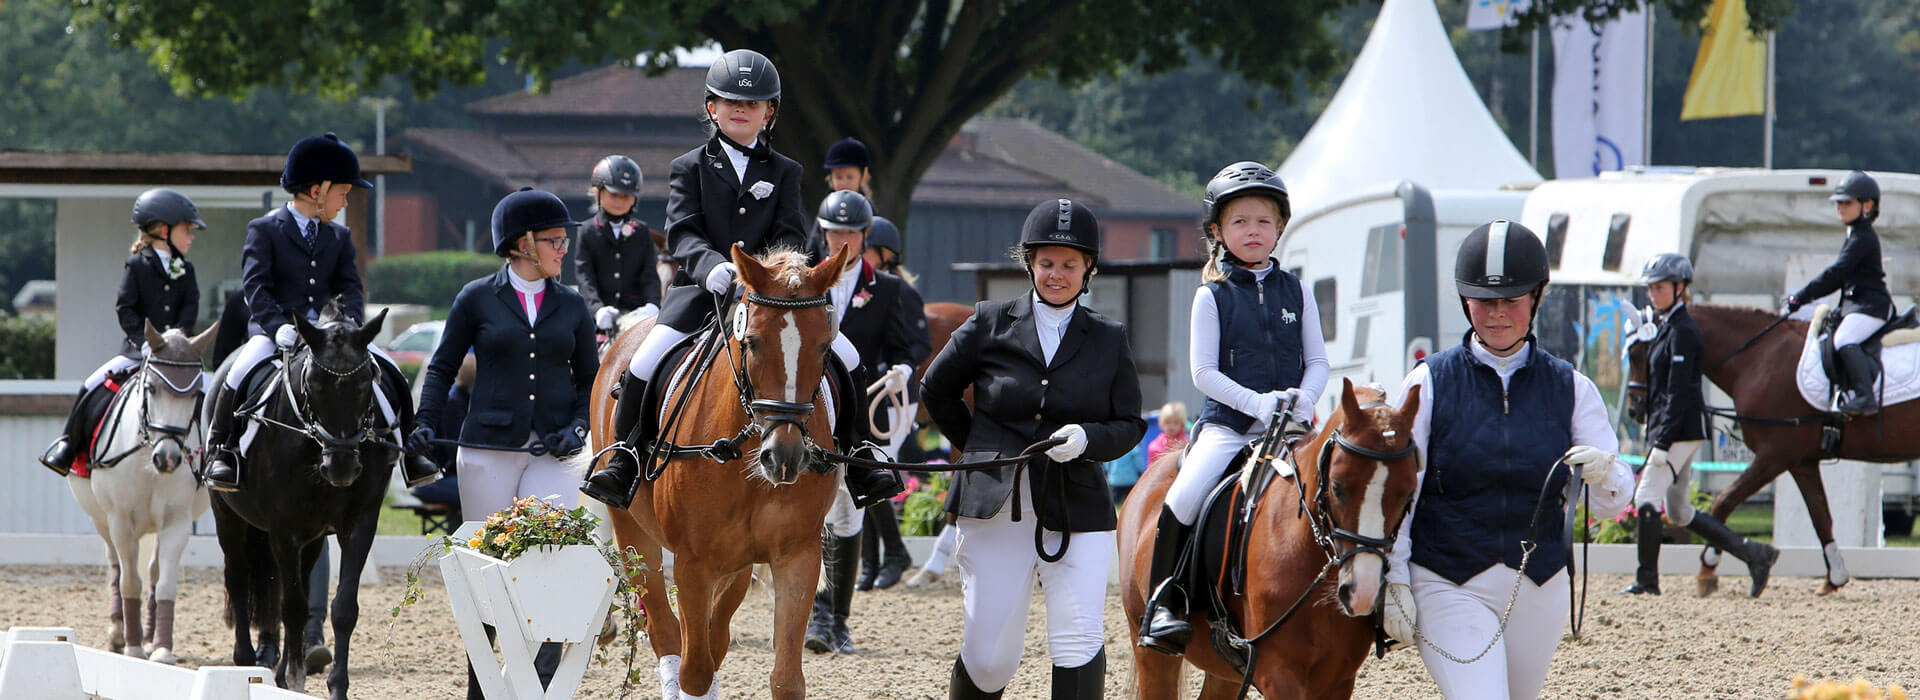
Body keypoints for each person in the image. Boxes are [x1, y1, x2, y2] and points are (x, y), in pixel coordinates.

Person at [582, 49, 899, 511]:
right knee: (643, 362)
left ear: (768, 113)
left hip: (770, 294)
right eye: (730, 102)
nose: (740, 110)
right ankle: (624, 457)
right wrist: (711, 265)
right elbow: (682, 228)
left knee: (846, 358)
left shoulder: (786, 171)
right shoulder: (688, 166)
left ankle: (862, 457)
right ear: (712, 108)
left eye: (751, 104)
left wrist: (765, 272)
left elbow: (792, 233)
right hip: (699, 290)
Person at [1376, 220, 1635, 700]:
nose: (1496, 314)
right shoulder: (1427, 382)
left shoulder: (1572, 388)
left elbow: (1607, 505)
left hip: (1539, 584)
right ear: (1464, 301)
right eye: (1483, 301)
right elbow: (1400, 491)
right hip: (1446, 578)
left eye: (1511, 301)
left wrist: (1605, 472)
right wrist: (1395, 577)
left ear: (1535, 298)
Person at [922, 198, 1146, 699]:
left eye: (1069, 264)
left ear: (1088, 268)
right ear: (1030, 264)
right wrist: (981, 453)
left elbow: (1130, 423)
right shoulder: (988, 322)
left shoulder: (1109, 338)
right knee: (988, 656)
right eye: (1046, 263)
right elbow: (935, 390)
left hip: (1076, 506)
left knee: (1078, 639)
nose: (1056, 274)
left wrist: (1089, 439)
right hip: (995, 509)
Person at [408, 187, 597, 697]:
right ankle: (481, 682)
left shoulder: (573, 305)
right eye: (555, 241)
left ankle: (534, 682)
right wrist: (425, 423)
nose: (564, 249)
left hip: (554, 456)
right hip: (487, 451)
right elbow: (443, 366)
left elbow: (590, 381)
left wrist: (578, 428)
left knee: (552, 557)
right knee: (484, 568)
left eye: (564, 241)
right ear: (522, 245)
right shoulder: (476, 298)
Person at [1137, 161, 1329, 655]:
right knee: (1183, 496)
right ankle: (1166, 602)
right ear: (1218, 231)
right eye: (1240, 221)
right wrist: (1258, 404)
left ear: (1280, 227)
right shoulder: (1212, 295)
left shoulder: (1298, 291)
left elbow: (1318, 361)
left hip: (1290, 427)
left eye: (1263, 221)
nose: (1253, 231)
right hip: (1230, 427)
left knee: (1340, 489)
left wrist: (1303, 401)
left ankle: (1354, 600)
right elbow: (1204, 374)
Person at [201, 132, 439, 492]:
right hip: (277, 333)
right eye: (342, 193)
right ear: (317, 190)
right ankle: (222, 451)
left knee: (388, 369)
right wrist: (277, 326)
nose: (345, 201)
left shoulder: (339, 238)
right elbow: (256, 287)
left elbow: (351, 287)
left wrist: (353, 327)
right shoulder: (264, 230)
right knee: (238, 372)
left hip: (333, 337)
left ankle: (411, 453)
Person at [804, 190, 928, 654]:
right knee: (811, 515)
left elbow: (902, 346)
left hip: (858, 413)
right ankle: (817, 615)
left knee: (848, 511)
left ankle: (839, 619)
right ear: (823, 231)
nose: (841, 240)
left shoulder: (889, 290)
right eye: (833, 232)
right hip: (810, 408)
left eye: (850, 234)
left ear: (863, 236)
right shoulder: (802, 279)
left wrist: (903, 368)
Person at [1621, 253, 1778, 596]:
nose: (1653, 294)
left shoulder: (1684, 330)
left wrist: (1661, 443)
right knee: (1679, 511)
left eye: (1659, 287)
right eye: (1650, 288)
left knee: (1646, 498)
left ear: (1679, 289)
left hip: (1678, 431)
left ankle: (1647, 580)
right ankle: (1754, 553)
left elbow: (1679, 392)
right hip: (1675, 428)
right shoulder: (1667, 327)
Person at [39, 189, 203, 476]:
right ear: (164, 230)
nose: (191, 236)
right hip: (138, 352)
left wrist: (178, 337)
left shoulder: (186, 270)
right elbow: (126, 309)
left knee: (208, 391)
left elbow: (190, 308)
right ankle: (67, 445)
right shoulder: (137, 265)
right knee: (91, 385)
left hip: (175, 357)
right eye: (186, 229)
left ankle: (214, 456)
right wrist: (144, 344)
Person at [1784, 170, 1897, 415]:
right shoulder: (1854, 234)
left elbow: (1837, 274)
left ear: (1867, 205)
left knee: (1844, 339)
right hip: (1857, 305)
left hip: (1871, 307)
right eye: (1839, 203)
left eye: (1847, 202)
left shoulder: (1863, 237)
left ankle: (1865, 397)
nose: (1841, 208)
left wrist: (1801, 297)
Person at [575, 155, 662, 335]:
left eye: (627, 196)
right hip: (599, 320)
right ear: (598, 192)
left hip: (635, 317)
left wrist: (653, 305)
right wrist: (597, 308)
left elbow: (649, 275)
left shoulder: (641, 231)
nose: (620, 201)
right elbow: (585, 278)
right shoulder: (586, 231)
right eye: (614, 194)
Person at [1144, 401, 1188, 468]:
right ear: (1162, 423)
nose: (1171, 427)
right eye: (1168, 423)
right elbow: (1151, 468)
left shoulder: (1186, 442)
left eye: (1176, 423)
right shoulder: (1156, 445)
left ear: (1182, 424)